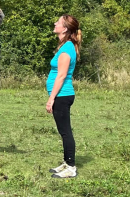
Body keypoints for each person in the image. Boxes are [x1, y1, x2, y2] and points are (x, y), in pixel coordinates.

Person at [46, 14, 82, 178]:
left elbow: (61, 76)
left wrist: (51, 98)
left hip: (62, 95)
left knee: (66, 132)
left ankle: (71, 167)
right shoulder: (65, 46)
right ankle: (66, 163)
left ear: (65, 28)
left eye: (58, 22)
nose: (55, 23)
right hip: (61, 95)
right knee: (63, 131)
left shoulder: (67, 48)